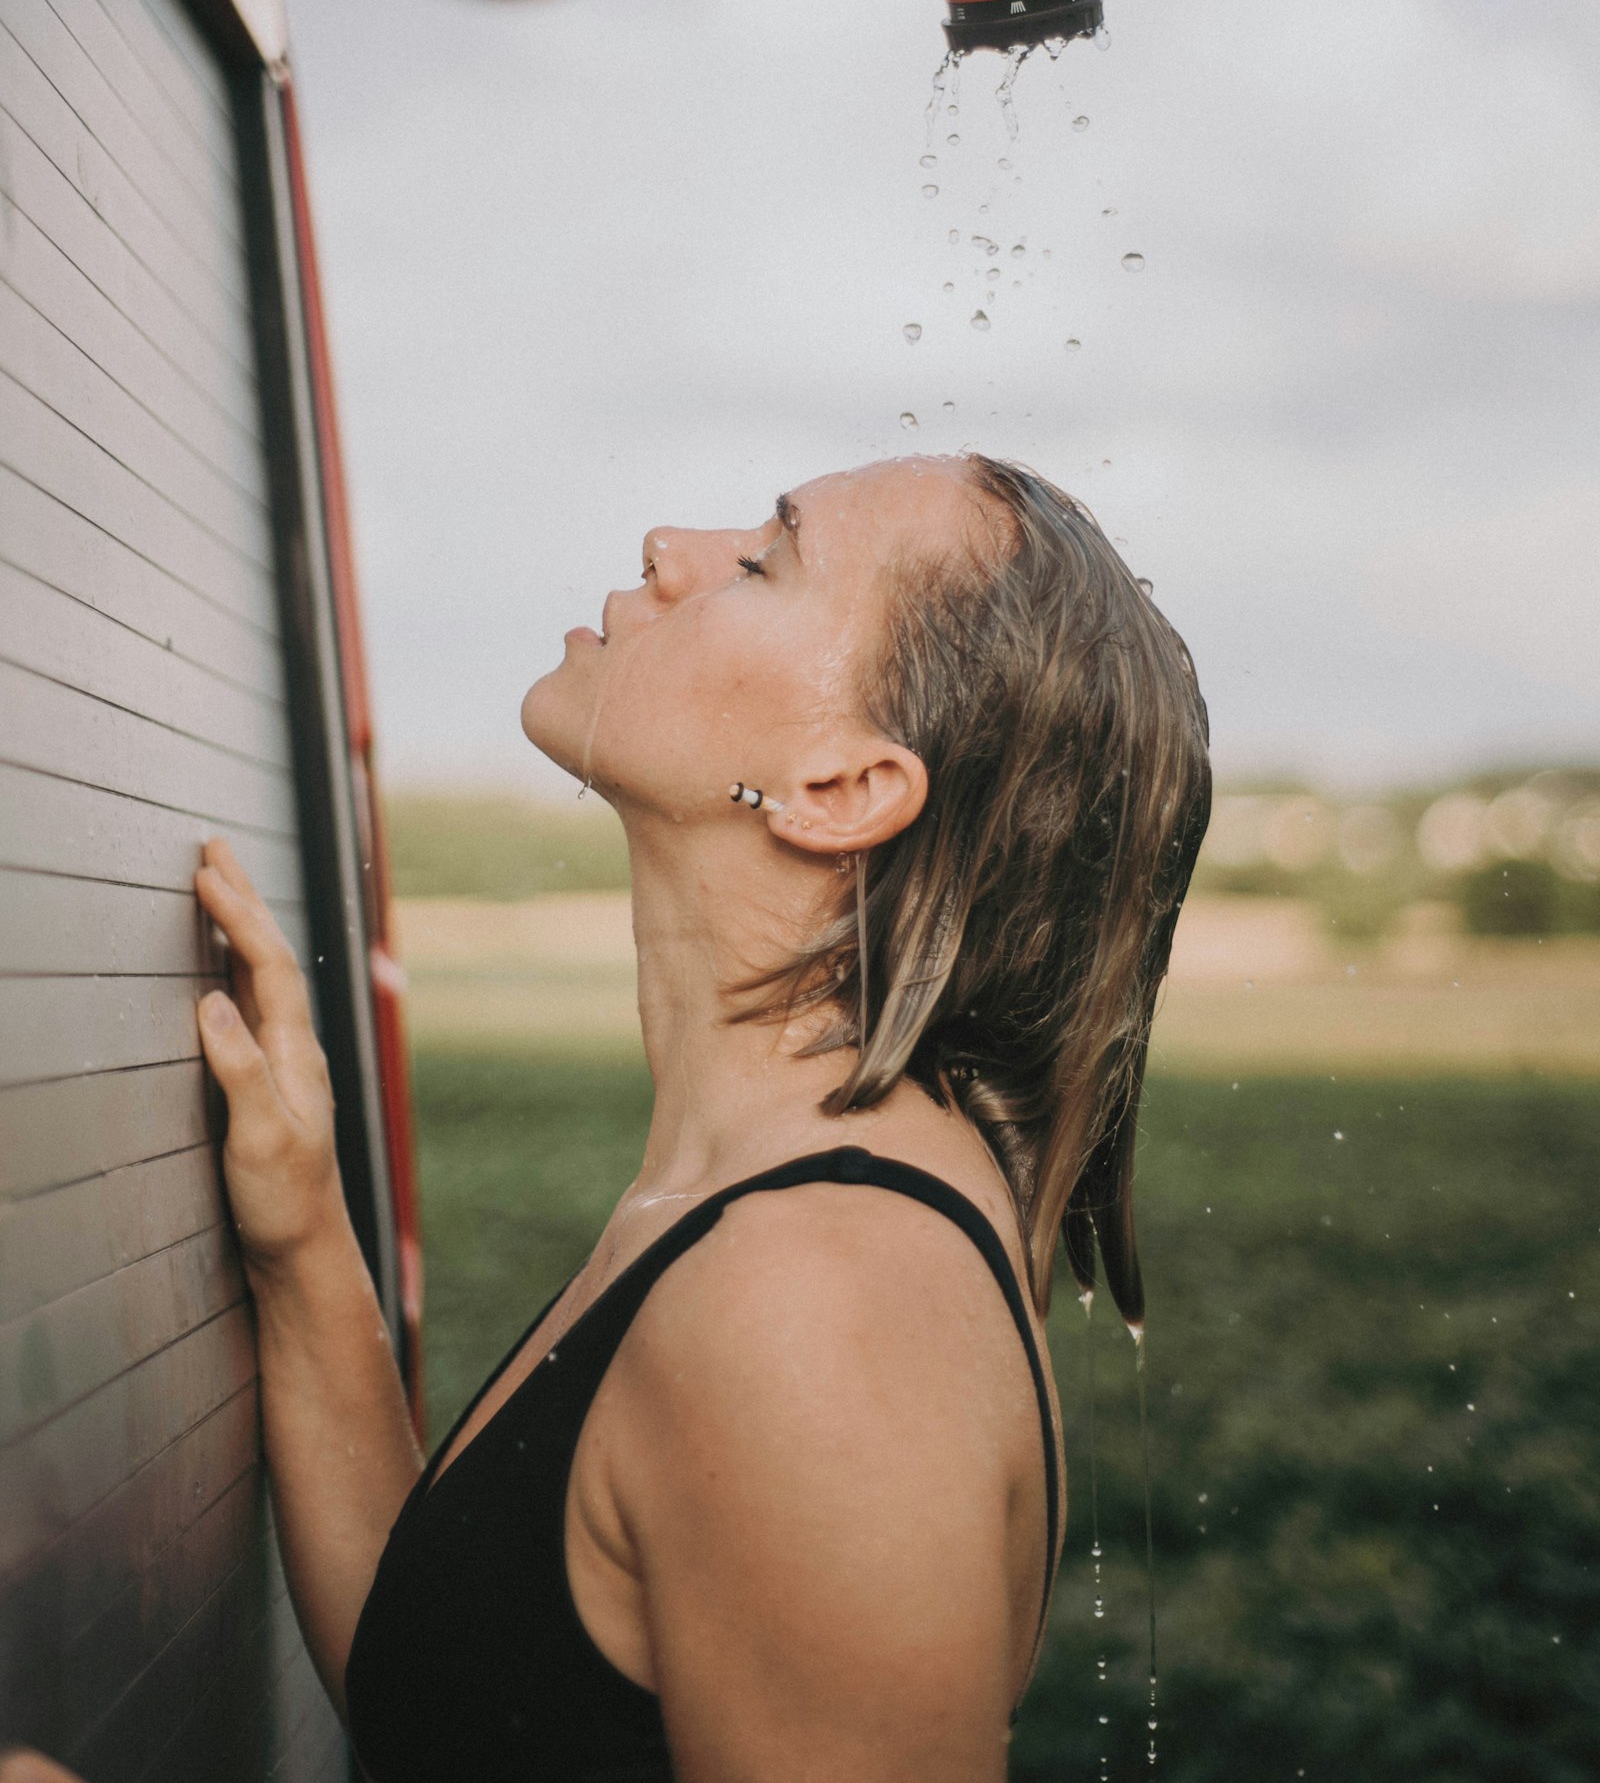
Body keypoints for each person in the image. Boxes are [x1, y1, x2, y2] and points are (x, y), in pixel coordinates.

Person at [6, 454, 1209, 1783]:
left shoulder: (817, 1306)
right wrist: (301, 1245)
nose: (667, 545)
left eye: (763, 561)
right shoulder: (750, 1201)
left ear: (839, 789)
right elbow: (461, 1704)